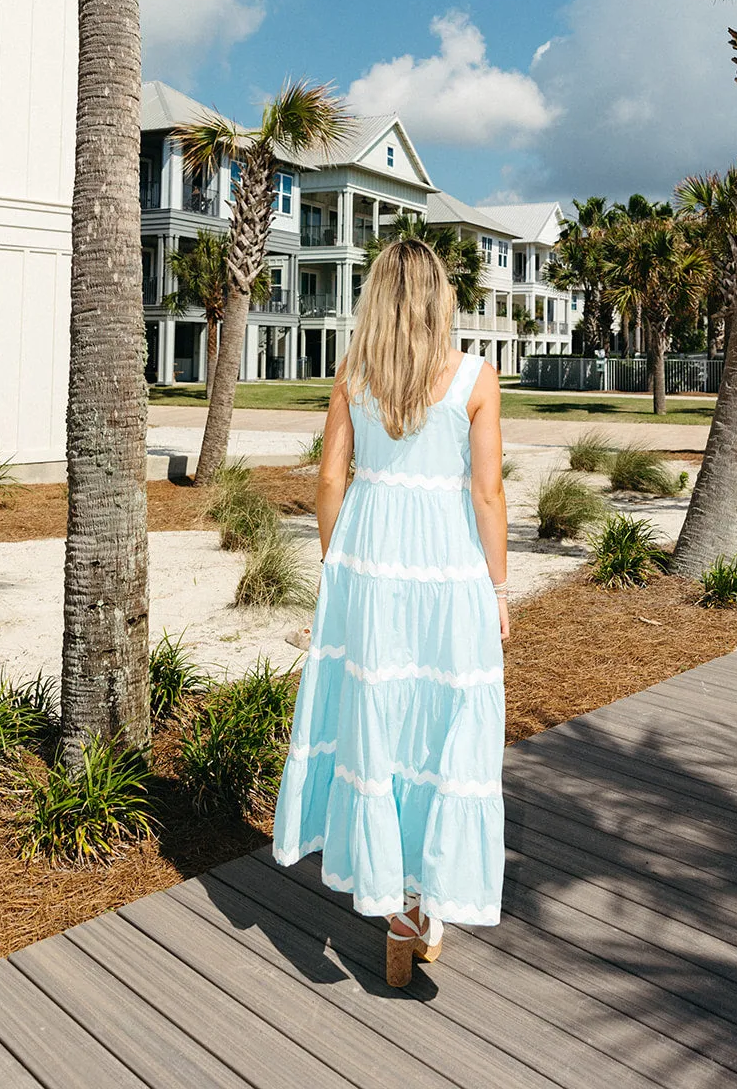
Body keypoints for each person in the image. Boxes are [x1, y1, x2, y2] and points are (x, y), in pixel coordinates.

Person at [272, 238, 509, 987]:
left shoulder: (354, 372)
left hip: (368, 560)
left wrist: (337, 568)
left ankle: (396, 908)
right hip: (447, 566)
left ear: (375, 295)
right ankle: (418, 898)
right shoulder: (474, 374)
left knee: (376, 719)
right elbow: (486, 494)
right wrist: (498, 591)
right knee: (441, 722)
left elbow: (329, 481)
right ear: (441, 297)